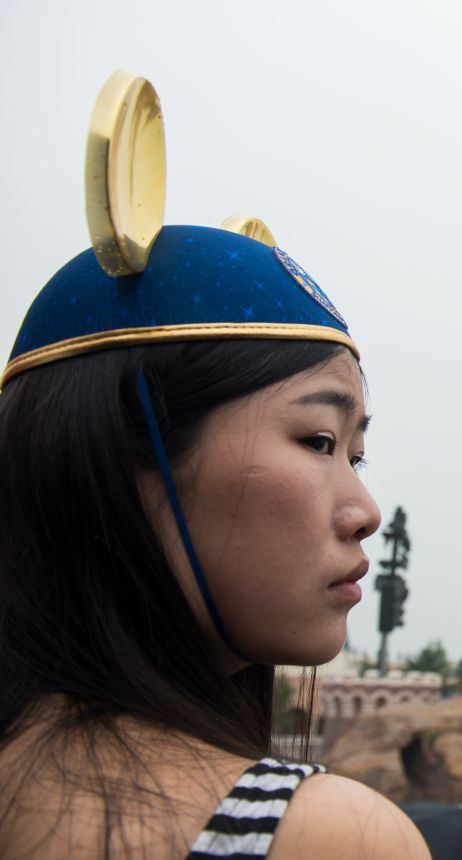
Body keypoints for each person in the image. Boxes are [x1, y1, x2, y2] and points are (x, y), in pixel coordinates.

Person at [0, 72, 430, 859]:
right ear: (129, 450)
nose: (365, 509)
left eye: (357, 454)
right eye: (317, 441)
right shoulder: (329, 837)